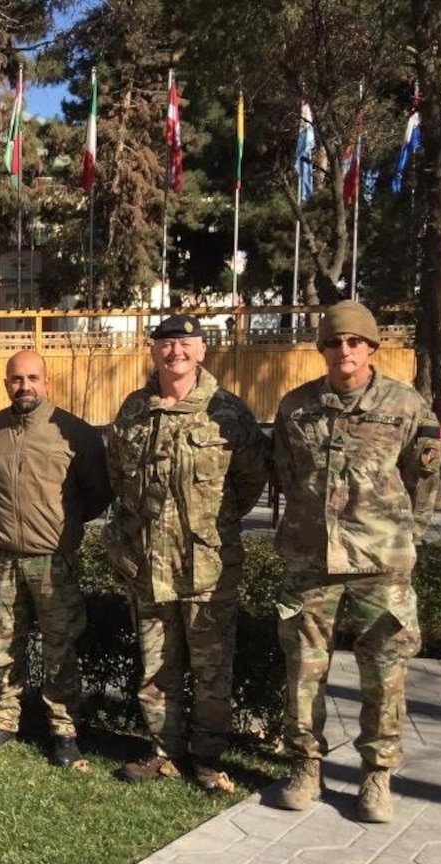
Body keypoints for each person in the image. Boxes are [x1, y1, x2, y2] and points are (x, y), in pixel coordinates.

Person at [267, 301, 441, 823]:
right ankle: (304, 766)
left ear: (370, 347)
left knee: (384, 673)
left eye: (354, 342)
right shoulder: (296, 407)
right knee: (303, 670)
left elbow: (424, 478)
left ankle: (376, 775)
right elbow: (285, 471)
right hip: (310, 558)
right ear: (322, 348)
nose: (344, 351)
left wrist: (408, 537)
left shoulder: (405, 405)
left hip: (380, 561)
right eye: (333, 342)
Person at [104, 315, 268, 792]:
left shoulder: (228, 413)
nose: (174, 352)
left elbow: (251, 478)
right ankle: (163, 751)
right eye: (166, 344)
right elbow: (119, 474)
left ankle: (208, 757)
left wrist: (210, 524)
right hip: (148, 562)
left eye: (184, 344)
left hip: (207, 566)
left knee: (211, 668)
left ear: (202, 351)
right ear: (154, 352)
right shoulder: (135, 409)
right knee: (156, 666)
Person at [0, 349, 112, 763]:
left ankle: (64, 730)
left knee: (59, 647)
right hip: (1, 561)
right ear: (6, 383)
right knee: (2, 646)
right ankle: (3, 722)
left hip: (52, 561)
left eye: (32, 378)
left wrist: (63, 526)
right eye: (16, 379)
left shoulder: (73, 433)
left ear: (46, 382)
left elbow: (98, 491)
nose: (24, 386)